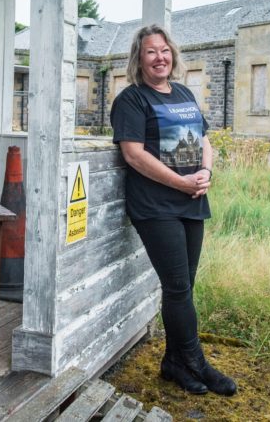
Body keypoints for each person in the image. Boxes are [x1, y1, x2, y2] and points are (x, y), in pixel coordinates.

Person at [111, 24, 237, 396]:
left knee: (182, 288)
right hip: (155, 206)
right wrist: (180, 182)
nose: (159, 57)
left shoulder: (183, 93)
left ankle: (173, 362)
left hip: (191, 201)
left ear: (172, 54)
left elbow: (205, 140)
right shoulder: (131, 100)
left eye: (164, 50)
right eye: (151, 52)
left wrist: (205, 172)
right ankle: (196, 362)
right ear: (140, 58)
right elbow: (133, 154)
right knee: (178, 286)